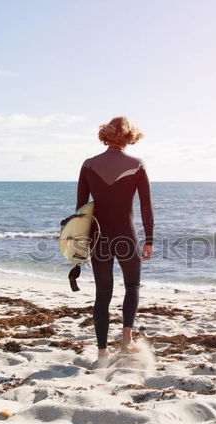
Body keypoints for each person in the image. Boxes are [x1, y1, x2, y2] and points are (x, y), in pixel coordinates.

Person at [76, 116, 154, 362]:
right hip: (126, 236)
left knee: (103, 293)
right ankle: (126, 340)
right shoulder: (137, 165)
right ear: (130, 136)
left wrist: (81, 241)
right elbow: (146, 207)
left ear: (106, 134)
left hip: (99, 237)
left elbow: (81, 208)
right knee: (132, 286)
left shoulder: (88, 165)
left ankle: (102, 352)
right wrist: (149, 238)